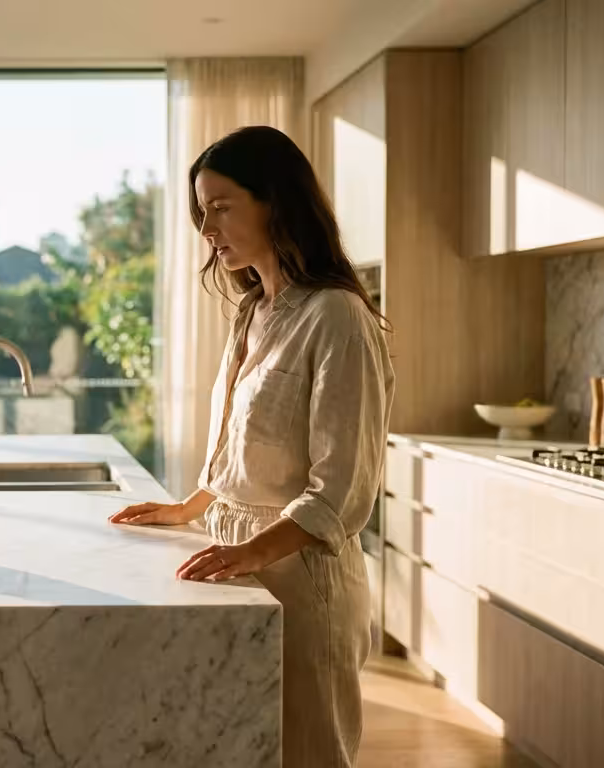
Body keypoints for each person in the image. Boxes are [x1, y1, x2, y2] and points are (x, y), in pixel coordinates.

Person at [110, 125, 395, 768]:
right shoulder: (251, 312)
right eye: (200, 211)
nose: (206, 228)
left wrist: (251, 551)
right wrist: (192, 508)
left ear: (275, 200)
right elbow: (243, 442)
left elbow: (343, 487)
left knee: (306, 755)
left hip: (299, 575)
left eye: (220, 206)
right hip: (237, 559)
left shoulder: (337, 317)